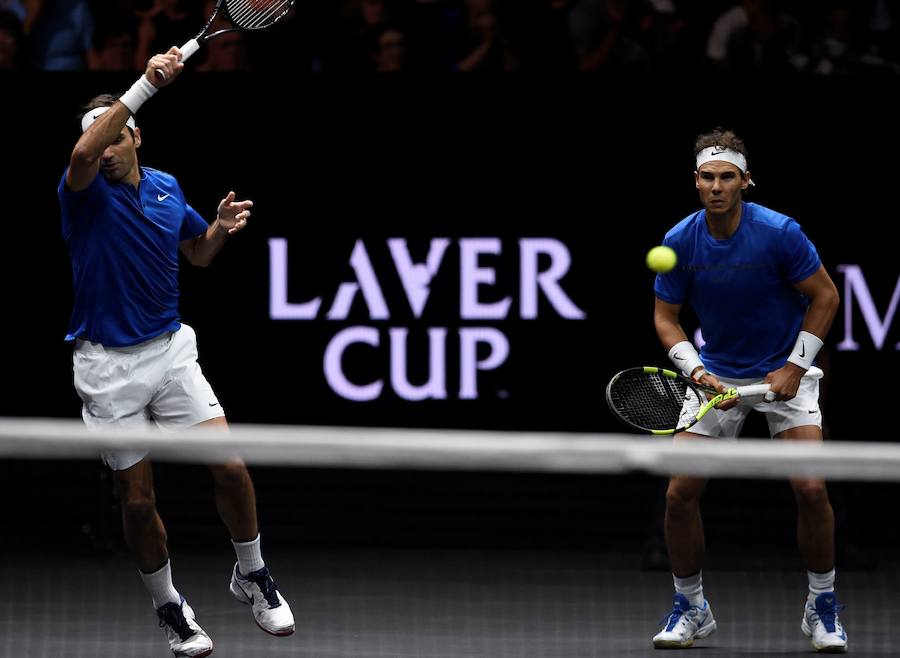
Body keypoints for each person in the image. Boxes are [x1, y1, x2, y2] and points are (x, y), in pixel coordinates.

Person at [59, 47, 294, 657]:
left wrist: (217, 228)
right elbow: (83, 153)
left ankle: (251, 573)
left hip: (169, 352)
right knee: (138, 503)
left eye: (113, 135)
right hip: (107, 368)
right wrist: (145, 82)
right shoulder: (82, 194)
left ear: (135, 137)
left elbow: (197, 255)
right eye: (96, 137)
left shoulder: (165, 188)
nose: (103, 147)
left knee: (231, 468)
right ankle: (170, 606)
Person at [650, 128, 846, 652]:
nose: (717, 187)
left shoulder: (781, 233)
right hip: (716, 374)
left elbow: (825, 296)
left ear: (745, 181)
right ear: (696, 181)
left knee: (810, 489)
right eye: (708, 177)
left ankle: (822, 604)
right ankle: (690, 605)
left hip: (785, 372)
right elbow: (666, 318)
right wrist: (694, 370)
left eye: (727, 178)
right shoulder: (678, 240)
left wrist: (793, 366)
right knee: (678, 496)